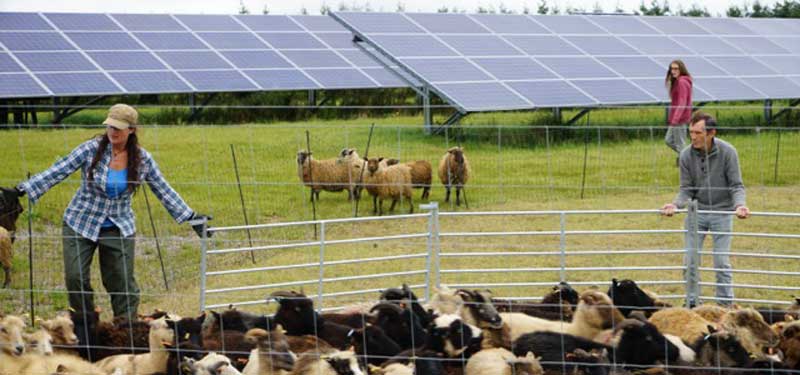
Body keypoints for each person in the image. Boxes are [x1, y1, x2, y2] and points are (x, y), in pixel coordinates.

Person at [4, 104, 211, 319]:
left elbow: (163, 189)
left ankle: (126, 329)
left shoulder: (143, 159)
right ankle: (85, 326)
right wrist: (22, 189)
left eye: (118, 128)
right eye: (110, 126)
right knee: (76, 278)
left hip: (119, 226)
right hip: (80, 222)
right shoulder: (90, 149)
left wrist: (191, 217)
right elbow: (59, 170)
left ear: (131, 130)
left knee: (121, 281)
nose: (113, 132)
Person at [661, 111, 749, 307]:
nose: (693, 136)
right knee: (690, 261)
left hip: (722, 212)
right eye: (691, 132)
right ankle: (692, 303)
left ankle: (725, 305)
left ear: (711, 133)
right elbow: (686, 189)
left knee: (721, 262)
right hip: (696, 213)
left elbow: (736, 185)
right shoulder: (685, 155)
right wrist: (675, 204)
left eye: (698, 132)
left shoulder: (728, 152)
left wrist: (740, 205)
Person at [665, 60, 693, 157]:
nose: (673, 71)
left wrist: (675, 119)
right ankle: (688, 156)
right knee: (668, 140)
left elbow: (682, 102)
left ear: (681, 69)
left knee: (680, 144)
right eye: (671, 69)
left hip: (680, 119)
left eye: (676, 68)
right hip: (676, 118)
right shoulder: (678, 81)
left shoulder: (682, 82)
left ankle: (685, 160)